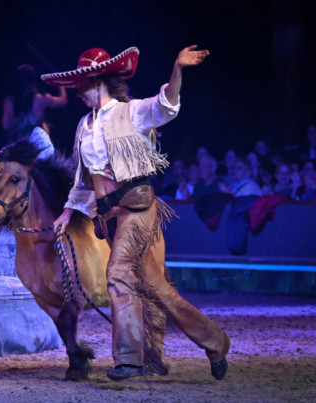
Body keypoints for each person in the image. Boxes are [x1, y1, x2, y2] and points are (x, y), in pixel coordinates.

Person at [43, 45, 229, 381]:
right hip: (108, 217)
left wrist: (178, 68)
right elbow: (82, 180)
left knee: (117, 273)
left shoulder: (130, 112)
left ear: (97, 80)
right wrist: (68, 213)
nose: (77, 93)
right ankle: (215, 341)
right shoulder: (85, 125)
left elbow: (166, 107)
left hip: (136, 204)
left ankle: (129, 359)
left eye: (80, 85)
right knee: (158, 288)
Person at [2, 64, 67, 142]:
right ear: (33, 81)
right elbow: (63, 101)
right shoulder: (40, 99)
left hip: (17, 145)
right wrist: (60, 82)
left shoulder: (8, 101)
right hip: (36, 145)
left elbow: (6, 126)